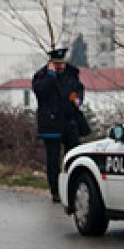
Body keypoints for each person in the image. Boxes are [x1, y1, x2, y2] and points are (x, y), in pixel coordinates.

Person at [32, 47, 86, 203]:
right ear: (51, 63)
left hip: (70, 121)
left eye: (62, 63)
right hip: (51, 123)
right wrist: (51, 75)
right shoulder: (42, 76)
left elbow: (78, 89)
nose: (61, 66)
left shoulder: (71, 73)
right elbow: (40, 92)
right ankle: (55, 191)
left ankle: (72, 187)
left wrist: (77, 99)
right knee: (53, 160)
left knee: (74, 157)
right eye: (57, 64)